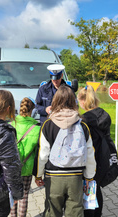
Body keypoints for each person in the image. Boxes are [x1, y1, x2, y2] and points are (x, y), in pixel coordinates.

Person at [33, 85, 96, 217]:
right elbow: (90, 154)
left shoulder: (47, 125)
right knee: (75, 211)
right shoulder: (82, 125)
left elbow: (42, 154)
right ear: (74, 102)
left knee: (52, 211)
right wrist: (89, 177)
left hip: (53, 176)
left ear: (55, 101)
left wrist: (38, 175)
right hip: (76, 177)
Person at [77, 85, 116, 217]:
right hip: (103, 159)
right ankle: (97, 213)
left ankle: (90, 214)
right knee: (96, 188)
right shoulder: (105, 115)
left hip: (91, 161)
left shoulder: (84, 121)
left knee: (89, 191)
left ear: (82, 101)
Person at [10, 97, 40, 217]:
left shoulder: (11, 124)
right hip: (27, 167)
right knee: (24, 195)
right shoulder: (37, 128)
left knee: (12, 195)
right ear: (32, 110)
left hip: (12, 167)